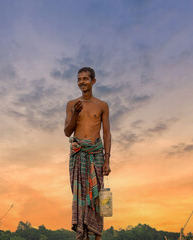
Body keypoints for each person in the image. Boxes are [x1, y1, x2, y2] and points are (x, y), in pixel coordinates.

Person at [64, 67, 111, 240]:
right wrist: (75, 113)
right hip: (78, 155)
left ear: (93, 81)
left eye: (85, 78)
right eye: (79, 79)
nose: (82, 82)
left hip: (96, 154)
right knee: (79, 195)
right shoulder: (71, 105)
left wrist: (107, 160)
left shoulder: (102, 106)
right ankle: (82, 234)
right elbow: (67, 132)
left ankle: (97, 235)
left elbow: (106, 133)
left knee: (97, 195)